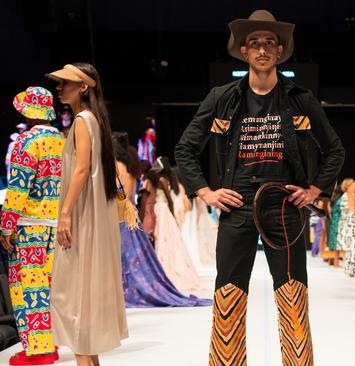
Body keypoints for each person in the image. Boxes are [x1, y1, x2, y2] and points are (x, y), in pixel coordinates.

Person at [174, 10, 345, 365]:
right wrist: (206, 192)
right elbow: (185, 149)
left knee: (293, 299)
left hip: (283, 207)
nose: (262, 50)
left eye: (269, 43)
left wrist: (313, 191)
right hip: (236, 205)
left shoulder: (300, 98)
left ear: (280, 51)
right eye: (255, 43)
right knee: (228, 301)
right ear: (243, 50)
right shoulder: (222, 97)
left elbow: (335, 150)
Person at [46, 63, 128, 366]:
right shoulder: (94, 119)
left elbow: (81, 169)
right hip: (91, 214)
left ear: (83, 87)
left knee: (74, 294)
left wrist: (64, 213)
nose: (59, 87)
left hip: (82, 215)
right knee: (83, 293)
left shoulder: (82, 120)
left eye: (66, 83)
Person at [1, 86, 64, 365]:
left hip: (28, 226)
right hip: (56, 223)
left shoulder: (26, 142)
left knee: (28, 288)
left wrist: (6, 226)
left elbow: (17, 191)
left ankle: (36, 352)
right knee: (48, 287)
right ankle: (48, 345)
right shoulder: (62, 140)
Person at [114, 133, 210, 308]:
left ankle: (127, 290)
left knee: (129, 256)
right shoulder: (133, 170)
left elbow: (121, 193)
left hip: (124, 215)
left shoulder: (119, 167)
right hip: (133, 213)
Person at [148, 157, 205, 293]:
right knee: (161, 238)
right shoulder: (159, 180)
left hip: (163, 210)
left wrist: (172, 215)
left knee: (164, 239)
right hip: (159, 209)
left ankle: (167, 269)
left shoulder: (162, 180)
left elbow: (169, 200)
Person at [336, 178, 355, 276]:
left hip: (343, 221)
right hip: (348, 221)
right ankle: (349, 268)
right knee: (349, 244)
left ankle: (346, 267)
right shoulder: (349, 195)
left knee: (345, 245)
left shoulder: (343, 196)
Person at [327, 183, 346, 268]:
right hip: (339, 221)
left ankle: (335, 261)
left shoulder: (332, 200)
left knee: (334, 241)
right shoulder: (340, 200)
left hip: (333, 221)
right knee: (338, 241)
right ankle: (336, 263)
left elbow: (329, 211)